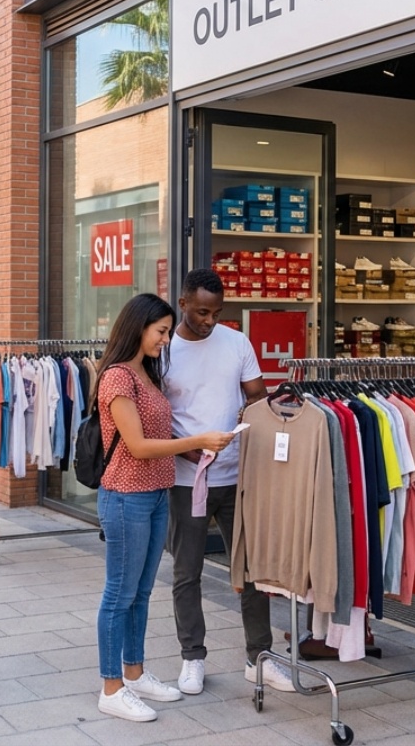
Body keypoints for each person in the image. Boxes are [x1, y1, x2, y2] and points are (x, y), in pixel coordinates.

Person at [93, 292, 235, 724]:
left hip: (155, 493)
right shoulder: (119, 377)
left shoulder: (148, 373)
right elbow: (136, 446)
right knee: (119, 593)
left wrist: (194, 454)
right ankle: (111, 687)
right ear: (138, 327)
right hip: (125, 496)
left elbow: (159, 435)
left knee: (139, 591)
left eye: (168, 332)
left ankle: (133, 673)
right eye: (160, 331)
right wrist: (198, 441)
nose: (166, 339)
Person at [162, 269, 294, 695]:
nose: (210, 320)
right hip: (188, 479)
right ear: (183, 303)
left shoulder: (236, 342)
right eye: (202, 311)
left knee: (253, 572)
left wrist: (250, 411)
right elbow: (154, 418)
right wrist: (187, 450)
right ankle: (192, 658)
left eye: (217, 312)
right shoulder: (164, 350)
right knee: (187, 572)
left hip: (239, 476)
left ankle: (259, 659)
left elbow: (257, 396)